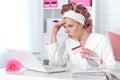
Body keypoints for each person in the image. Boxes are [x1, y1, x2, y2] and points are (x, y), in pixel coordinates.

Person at [45, 3, 116, 70]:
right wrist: (54, 33)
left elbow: (112, 69)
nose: (66, 30)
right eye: (65, 27)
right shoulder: (69, 42)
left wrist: (94, 60)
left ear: (81, 24)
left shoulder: (102, 40)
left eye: (70, 26)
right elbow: (56, 63)